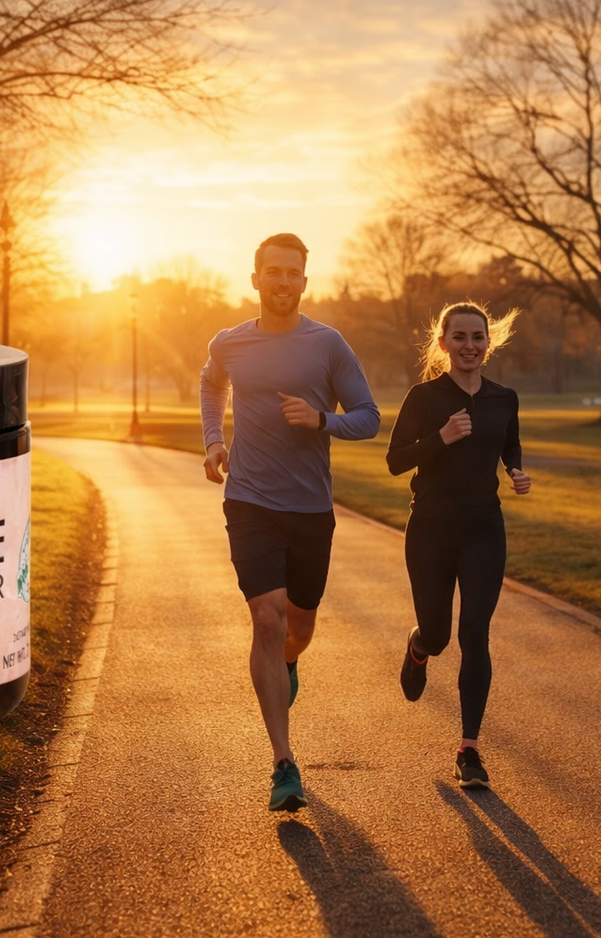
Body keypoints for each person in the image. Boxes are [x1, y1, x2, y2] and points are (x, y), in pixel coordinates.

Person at [200, 232, 380, 811]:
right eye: (273, 271)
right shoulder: (229, 342)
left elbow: (369, 418)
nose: (282, 281)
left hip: (309, 509)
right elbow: (211, 383)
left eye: (292, 273)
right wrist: (213, 439)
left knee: (297, 628)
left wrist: (322, 419)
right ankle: (283, 763)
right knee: (267, 618)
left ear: (304, 280)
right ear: (256, 278)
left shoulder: (327, 345)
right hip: (249, 501)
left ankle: (290, 662)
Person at [385, 301, 531, 789]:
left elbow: (508, 444)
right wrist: (442, 437)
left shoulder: (504, 398)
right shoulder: (424, 397)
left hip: (484, 529)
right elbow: (395, 460)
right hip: (430, 529)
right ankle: (419, 646)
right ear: (444, 343)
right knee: (439, 635)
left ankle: (469, 750)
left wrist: (515, 470)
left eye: (478, 337)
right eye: (460, 337)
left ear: (489, 343)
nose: (470, 345)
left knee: (475, 633)